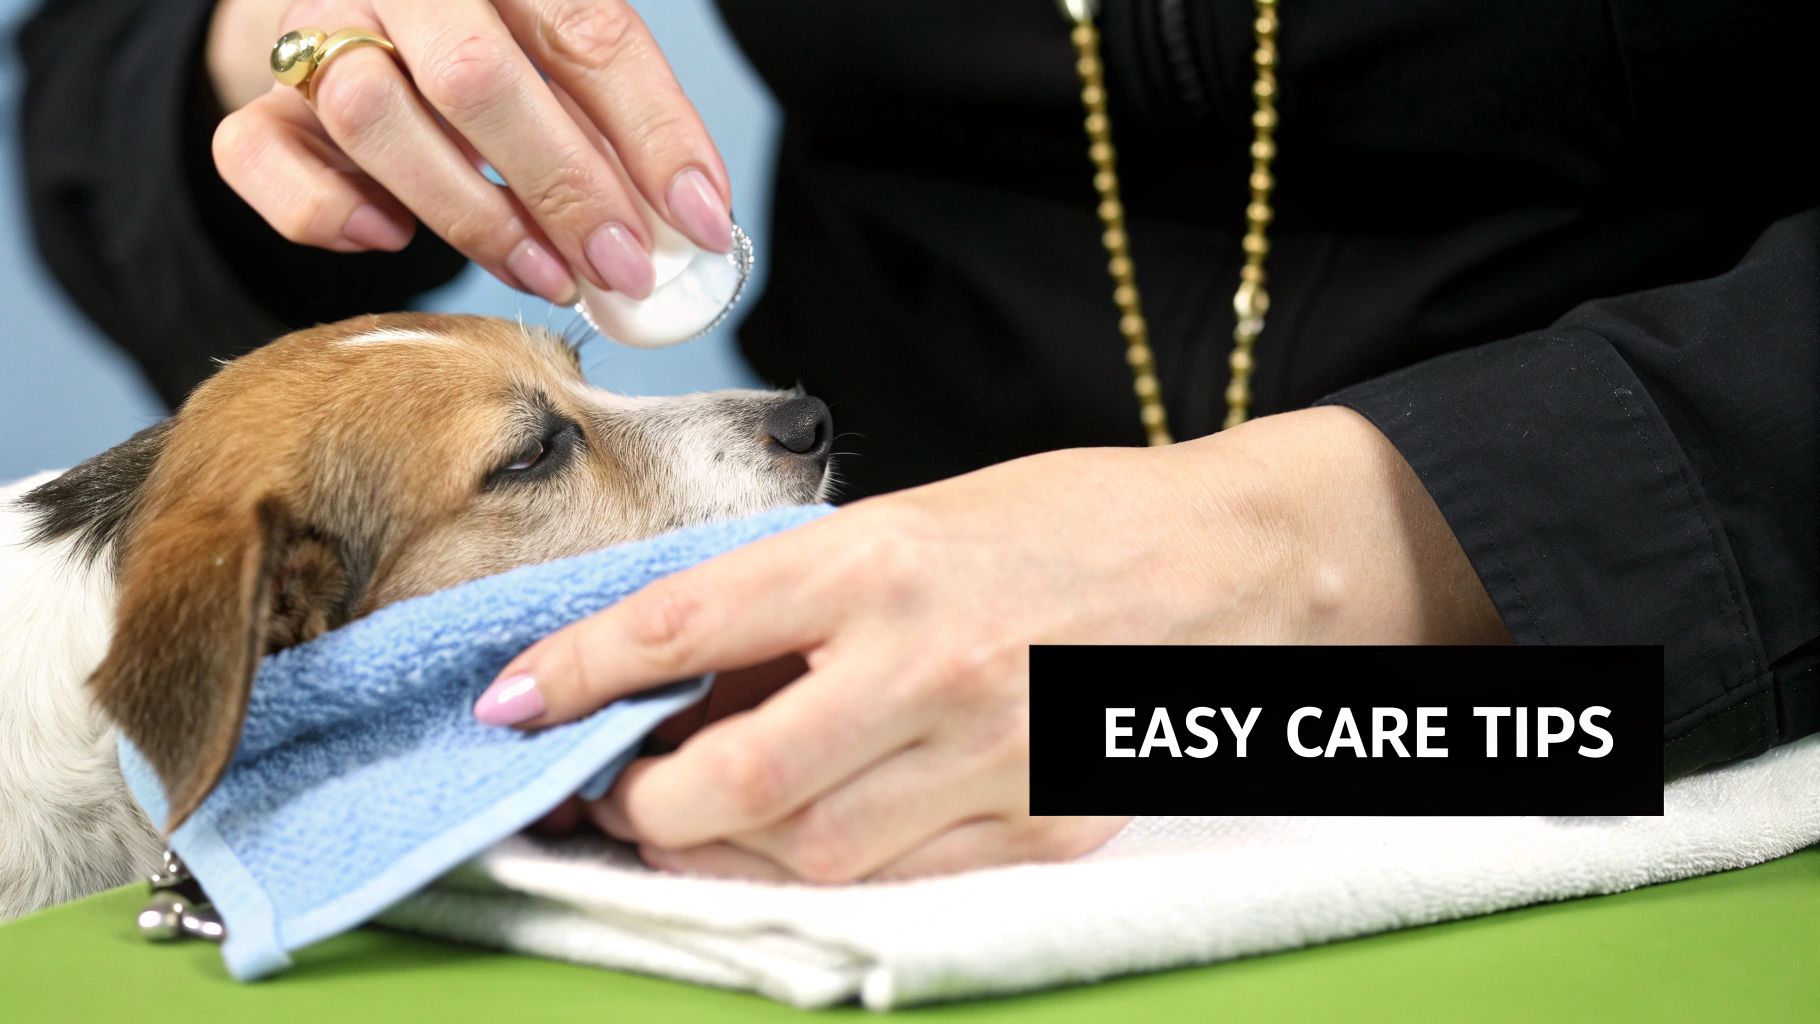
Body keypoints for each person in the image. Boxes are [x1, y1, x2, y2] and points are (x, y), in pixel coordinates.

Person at [19, 0, 1818, 882]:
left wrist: (1385, 527)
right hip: (842, 691)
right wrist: (278, 57)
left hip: (1643, 640)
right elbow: (103, 76)